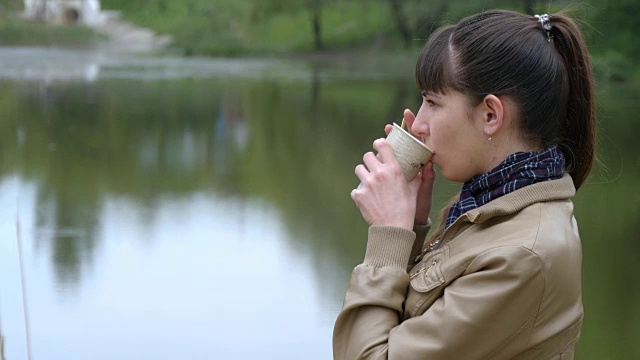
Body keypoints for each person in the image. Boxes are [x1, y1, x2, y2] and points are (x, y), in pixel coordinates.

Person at [333, 9, 595, 360]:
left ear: (490, 115)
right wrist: (412, 225)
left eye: (432, 102)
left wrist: (388, 236)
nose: (418, 125)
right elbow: (416, 325)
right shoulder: (492, 205)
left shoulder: (520, 257)